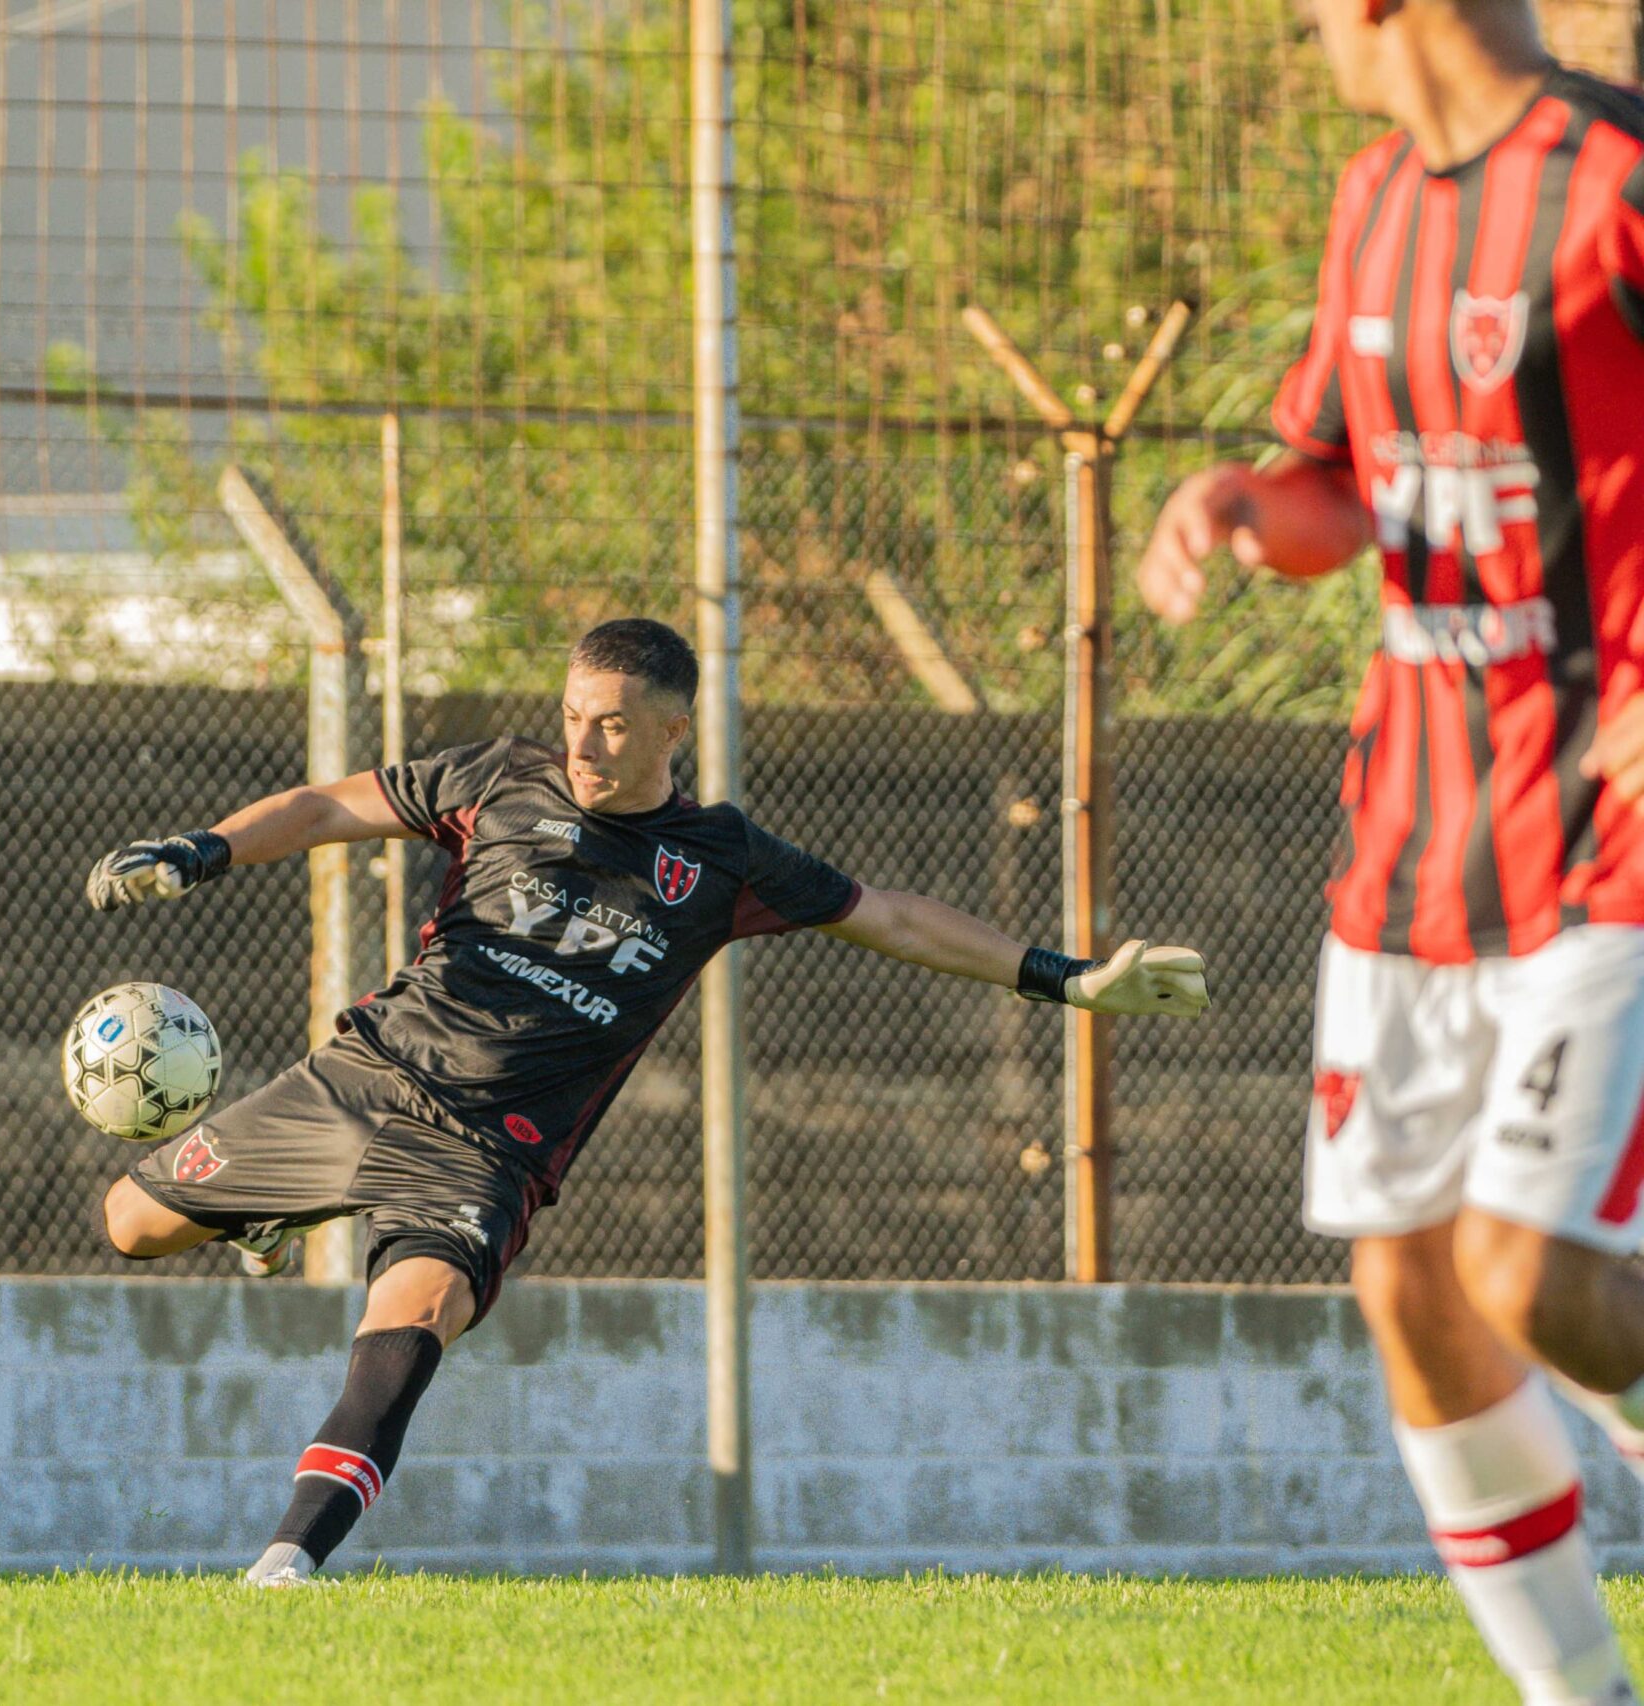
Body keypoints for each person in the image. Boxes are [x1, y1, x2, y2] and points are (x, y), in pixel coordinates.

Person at [83, 616, 1209, 1586]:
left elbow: (898, 917)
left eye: (614, 722)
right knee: (130, 1226)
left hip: (484, 1152)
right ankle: (279, 1212)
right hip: (363, 1078)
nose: (583, 741)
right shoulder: (497, 779)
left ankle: (285, 1563)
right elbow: (331, 804)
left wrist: (1064, 976)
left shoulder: (718, 860)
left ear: (676, 728)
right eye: (574, 713)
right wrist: (202, 850)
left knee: (415, 1316)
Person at [1137, 3, 1644, 1698]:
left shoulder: (1614, 184)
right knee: (1412, 1292)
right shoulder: (1376, 200)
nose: (1304, 38)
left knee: (1530, 1270)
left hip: (1606, 835)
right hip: (1415, 846)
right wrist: (1230, 502)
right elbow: (1340, 494)